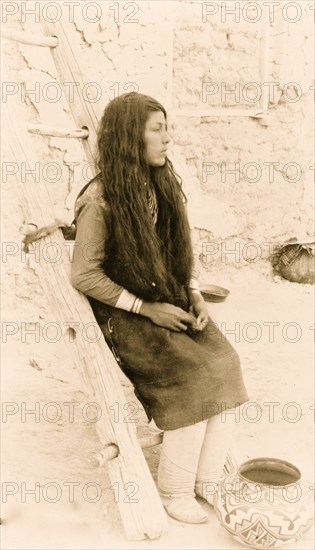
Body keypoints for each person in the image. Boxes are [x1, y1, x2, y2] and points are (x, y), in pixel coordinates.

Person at [70, 92, 249, 524]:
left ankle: (206, 480)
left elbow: (179, 248)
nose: (168, 138)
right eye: (157, 129)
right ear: (132, 138)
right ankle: (174, 490)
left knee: (225, 363)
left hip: (166, 298)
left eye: (167, 127)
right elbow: (84, 275)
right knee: (191, 380)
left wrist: (193, 293)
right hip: (126, 316)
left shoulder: (160, 183)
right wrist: (148, 309)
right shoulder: (100, 200)